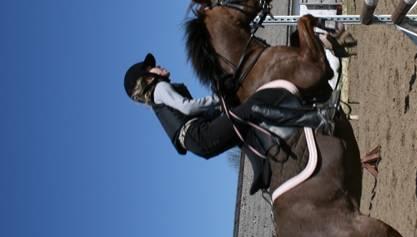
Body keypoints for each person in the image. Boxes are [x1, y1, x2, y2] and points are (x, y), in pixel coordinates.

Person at [124, 53, 327, 193]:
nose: (158, 67)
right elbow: (188, 108)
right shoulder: (160, 88)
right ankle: (316, 118)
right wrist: (217, 97)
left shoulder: (158, 103)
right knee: (250, 109)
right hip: (198, 134)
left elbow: (201, 114)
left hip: (198, 141)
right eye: (152, 67)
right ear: (147, 77)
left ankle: (262, 170)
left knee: (240, 127)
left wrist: (222, 104)